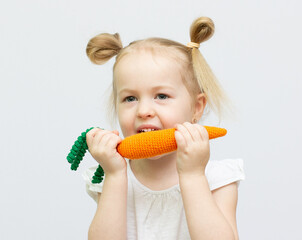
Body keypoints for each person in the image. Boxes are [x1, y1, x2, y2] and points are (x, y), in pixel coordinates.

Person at [83, 17, 245, 240]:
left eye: (161, 96)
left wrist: (192, 176)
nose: (144, 110)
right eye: (130, 98)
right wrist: (114, 175)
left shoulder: (216, 178)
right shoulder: (111, 175)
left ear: (197, 107)